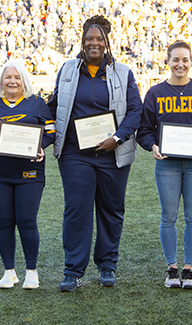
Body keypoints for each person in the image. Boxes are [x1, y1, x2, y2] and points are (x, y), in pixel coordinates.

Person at [48, 15, 142, 292]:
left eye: (99, 39)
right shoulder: (67, 69)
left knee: (111, 209)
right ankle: (73, 270)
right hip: (75, 153)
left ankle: (107, 264)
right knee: (77, 210)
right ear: (82, 40)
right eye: (89, 38)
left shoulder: (123, 72)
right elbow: (53, 105)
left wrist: (117, 137)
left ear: (107, 42)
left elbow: (135, 110)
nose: (94, 43)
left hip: (113, 154)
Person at [137, 40, 192, 290]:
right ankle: (172, 267)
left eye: (185, 59)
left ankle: (189, 269)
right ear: (168, 61)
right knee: (168, 216)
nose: (180, 64)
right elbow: (144, 130)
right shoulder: (155, 93)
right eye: (176, 59)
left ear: (191, 61)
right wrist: (152, 145)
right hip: (168, 165)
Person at [0, 60, 55, 290]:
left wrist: (41, 147)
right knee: (4, 222)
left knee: (27, 221)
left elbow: (50, 132)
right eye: (8, 77)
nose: (12, 81)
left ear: (24, 81)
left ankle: (31, 270)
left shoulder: (37, 103)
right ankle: (9, 271)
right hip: (0, 173)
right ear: (1, 81)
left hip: (29, 172)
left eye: (17, 77)